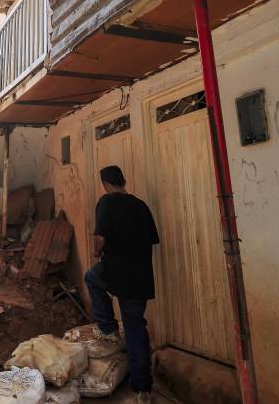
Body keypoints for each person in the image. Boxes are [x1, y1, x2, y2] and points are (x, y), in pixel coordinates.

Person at [85, 165, 160, 403]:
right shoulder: (141, 206)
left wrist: (97, 252)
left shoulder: (107, 202)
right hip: (140, 278)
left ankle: (108, 329)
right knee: (136, 328)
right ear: (124, 180)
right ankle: (143, 389)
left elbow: (99, 238)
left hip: (115, 272)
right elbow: (151, 240)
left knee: (91, 277)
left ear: (106, 183)